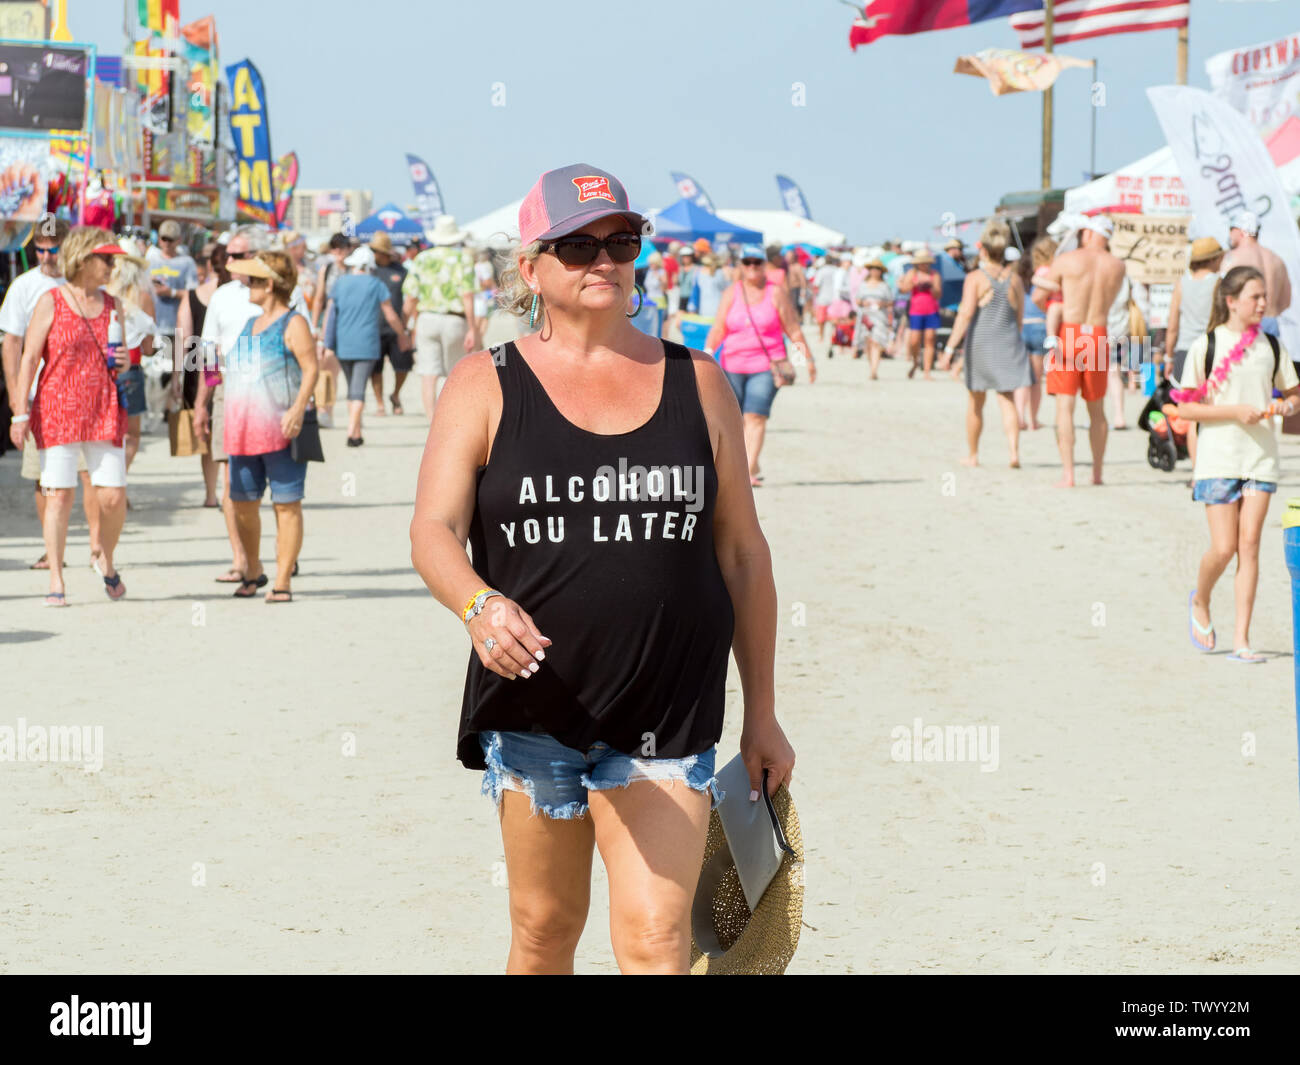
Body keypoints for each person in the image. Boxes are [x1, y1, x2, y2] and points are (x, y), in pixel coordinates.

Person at [409, 163, 794, 974]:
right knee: (546, 931)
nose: (603, 261)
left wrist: (762, 712)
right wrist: (478, 605)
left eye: (620, 241)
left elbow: (743, 554)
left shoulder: (701, 382)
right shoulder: (485, 383)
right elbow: (433, 530)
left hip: (669, 703)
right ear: (531, 268)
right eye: (577, 245)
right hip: (538, 703)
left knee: (656, 941)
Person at [1175, 266, 1300, 662]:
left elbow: (1295, 394)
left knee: (1250, 546)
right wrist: (1234, 411)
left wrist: (1286, 404)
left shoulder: (1272, 346)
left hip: (1260, 459)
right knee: (1224, 546)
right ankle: (1202, 598)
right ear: (1231, 301)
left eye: (1265, 297)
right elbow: (1186, 406)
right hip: (1217, 458)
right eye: (1254, 297)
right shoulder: (1207, 345)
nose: (1263, 303)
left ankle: (1242, 640)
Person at [7, 227, 130, 605]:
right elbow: (28, 358)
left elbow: (118, 358)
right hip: (57, 408)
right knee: (58, 495)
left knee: (112, 497)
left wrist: (124, 362)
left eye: (113, 259)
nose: (112, 265)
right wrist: (19, 413)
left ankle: (104, 558)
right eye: (105, 259)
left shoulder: (113, 305)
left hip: (103, 408)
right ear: (83, 259)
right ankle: (56, 579)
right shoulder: (51, 301)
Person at [0, 217, 103, 571]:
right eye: (40, 250)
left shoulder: (83, 284)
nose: (45, 257)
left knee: (90, 473)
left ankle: (96, 545)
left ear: (67, 248)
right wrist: (17, 400)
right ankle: (52, 550)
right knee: (44, 478)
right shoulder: (23, 287)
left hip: (85, 397)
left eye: (52, 249)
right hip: (39, 397)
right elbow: (13, 346)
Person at [221, 251, 319, 602]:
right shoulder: (251, 323)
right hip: (243, 429)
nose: (247, 285)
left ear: (271, 284)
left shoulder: (294, 323)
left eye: (255, 280)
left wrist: (297, 409)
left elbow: (311, 368)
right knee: (242, 502)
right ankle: (253, 569)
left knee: (287, 503)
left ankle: (282, 580)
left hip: (283, 427)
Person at [703, 242, 816, 486]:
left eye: (757, 262)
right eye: (747, 262)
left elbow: (793, 329)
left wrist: (806, 359)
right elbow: (719, 327)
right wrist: (708, 352)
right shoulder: (731, 292)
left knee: (755, 417)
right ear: (741, 266)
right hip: (731, 364)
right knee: (735, 420)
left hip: (766, 364)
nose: (752, 267)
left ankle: (746, 472)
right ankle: (749, 463)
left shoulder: (776, 293)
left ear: (764, 265)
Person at [194, 228, 269, 584]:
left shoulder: (279, 288)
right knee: (230, 480)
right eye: (228, 254)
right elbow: (208, 353)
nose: (229, 261)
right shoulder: (222, 295)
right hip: (229, 391)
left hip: (271, 393)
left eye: (238, 255)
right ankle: (242, 560)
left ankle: (278, 561)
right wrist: (201, 403)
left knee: (276, 483)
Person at [1033, 216, 1126, 487]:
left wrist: (1055, 313)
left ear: (1086, 233)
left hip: (1070, 333)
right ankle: (1097, 474)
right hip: (1096, 334)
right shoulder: (1117, 266)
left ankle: (1068, 474)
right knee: (1096, 409)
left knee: (1065, 407)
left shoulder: (1067, 260)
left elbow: (1040, 296)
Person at [942, 220, 1031, 468]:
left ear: (983, 250)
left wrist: (950, 349)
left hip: (981, 343)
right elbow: (1019, 317)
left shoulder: (975, 277)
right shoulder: (1014, 280)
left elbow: (966, 314)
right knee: (1008, 399)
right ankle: (1013, 452)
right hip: (1009, 342)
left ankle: (973, 454)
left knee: (976, 402)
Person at [324, 245, 411, 446]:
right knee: (359, 388)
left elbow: (330, 313)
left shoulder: (340, 283)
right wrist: (402, 334)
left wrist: (327, 341)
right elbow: (390, 314)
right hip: (367, 343)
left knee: (351, 387)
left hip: (343, 343)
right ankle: (352, 431)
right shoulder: (376, 284)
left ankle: (356, 428)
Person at [401, 215, 479, 420]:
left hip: (426, 319)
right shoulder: (463, 258)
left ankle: (432, 421)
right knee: (454, 372)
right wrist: (473, 328)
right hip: (454, 319)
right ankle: (452, 417)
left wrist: (403, 326)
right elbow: (468, 296)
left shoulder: (422, 258)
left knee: (428, 374)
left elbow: (411, 297)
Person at [175, 241, 227, 507]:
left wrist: (175, 376)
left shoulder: (194, 294)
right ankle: (229, 491)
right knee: (227, 426)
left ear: (208, 265)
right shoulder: (239, 294)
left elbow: (183, 339)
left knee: (204, 428)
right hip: (229, 367)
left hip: (198, 368)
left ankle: (210, 494)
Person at [1165, 237, 1225, 467]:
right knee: (1212, 410)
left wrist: (1169, 356)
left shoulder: (1182, 284)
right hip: (1212, 349)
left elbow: (1172, 325)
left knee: (1191, 414)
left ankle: (1196, 470)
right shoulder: (1219, 283)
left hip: (1184, 351)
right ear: (1213, 259)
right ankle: (1212, 465)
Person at [107, 239, 157, 476]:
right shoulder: (143, 296)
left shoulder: (102, 292)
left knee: (109, 433)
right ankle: (118, 480)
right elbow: (148, 348)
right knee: (132, 435)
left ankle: (108, 480)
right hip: (131, 370)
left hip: (104, 368)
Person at [365, 232, 413, 417]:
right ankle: (379, 403)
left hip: (397, 326)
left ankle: (395, 394)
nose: (376, 254)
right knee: (375, 369)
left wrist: (407, 328)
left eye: (378, 251)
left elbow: (409, 297)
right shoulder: (370, 271)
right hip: (373, 326)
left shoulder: (401, 271)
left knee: (403, 365)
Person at [1223, 210, 1291, 338]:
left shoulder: (1232, 258)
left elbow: (1222, 296)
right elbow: (1286, 301)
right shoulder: (1276, 259)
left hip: (1244, 325)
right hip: (1271, 323)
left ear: (1239, 230)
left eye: (1231, 229)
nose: (1230, 235)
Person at [1017, 237, 1056, 432]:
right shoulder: (1049, 273)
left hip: (1023, 326)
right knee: (1036, 380)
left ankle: (1019, 416)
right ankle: (1033, 420)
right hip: (1040, 325)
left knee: (1023, 378)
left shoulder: (1022, 277)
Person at [146, 219, 197, 348]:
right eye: (164, 238)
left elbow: (194, 294)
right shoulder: (150, 260)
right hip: (153, 326)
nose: (167, 243)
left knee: (175, 366)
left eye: (171, 239)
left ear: (179, 240)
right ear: (159, 238)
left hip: (177, 326)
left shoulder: (187, 262)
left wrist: (171, 292)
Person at [899, 250, 941, 380]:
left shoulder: (934, 275)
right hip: (916, 310)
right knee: (914, 340)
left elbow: (938, 294)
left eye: (926, 263)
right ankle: (915, 362)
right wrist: (914, 283)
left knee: (930, 339)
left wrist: (930, 285)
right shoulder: (912, 273)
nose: (924, 265)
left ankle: (927, 371)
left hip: (931, 310)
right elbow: (903, 289)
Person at [855, 259, 892, 379]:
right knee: (868, 343)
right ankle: (872, 366)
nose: (875, 271)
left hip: (880, 316)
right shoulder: (863, 285)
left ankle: (874, 370)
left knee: (877, 342)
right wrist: (863, 303)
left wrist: (882, 304)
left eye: (877, 269)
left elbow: (890, 301)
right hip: (866, 316)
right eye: (873, 269)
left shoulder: (884, 286)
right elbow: (857, 300)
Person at [688, 253, 729, 319]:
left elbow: (694, 295)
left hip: (704, 313)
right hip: (719, 313)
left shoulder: (698, 273)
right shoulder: (723, 272)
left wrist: (691, 310)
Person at [784, 248, 808, 322]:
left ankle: (799, 320)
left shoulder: (797, 266)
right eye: (787, 256)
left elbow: (802, 279)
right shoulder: (785, 266)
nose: (788, 258)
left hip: (796, 289)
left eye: (790, 256)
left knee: (796, 306)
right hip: (787, 289)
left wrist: (803, 291)